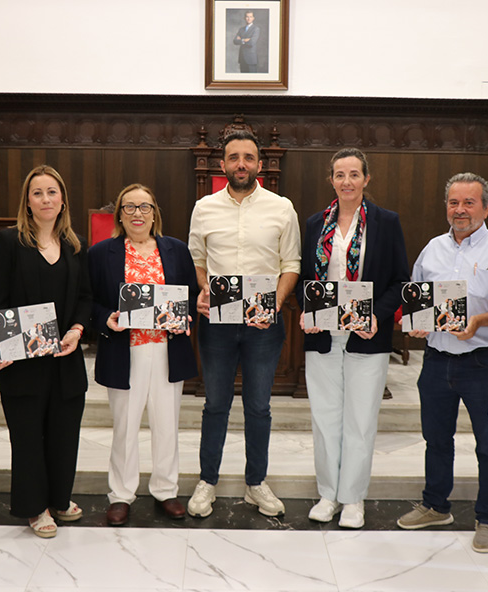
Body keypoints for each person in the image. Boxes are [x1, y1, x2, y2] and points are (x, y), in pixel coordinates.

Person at [187, 130, 301, 518]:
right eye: (234, 157)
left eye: (248, 158)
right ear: (223, 164)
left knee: (258, 407)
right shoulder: (204, 208)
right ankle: (207, 482)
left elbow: (291, 264)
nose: (241, 164)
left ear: (259, 164)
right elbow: (197, 260)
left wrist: (276, 303)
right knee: (215, 405)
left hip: (263, 325)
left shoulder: (281, 207)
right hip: (217, 323)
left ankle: (256, 483)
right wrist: (204, 290)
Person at [396, 173, 488, 554]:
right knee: (436, 440)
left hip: (484, 362)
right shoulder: (432, 249)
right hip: (437, 360)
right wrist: (415, 325)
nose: (460, 210)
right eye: (453, 203)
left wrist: (478, 322)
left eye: (469, 202)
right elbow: (416, 298)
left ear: (486, 206)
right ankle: (435, 505)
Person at [297, 148, 409, 528]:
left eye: (354, 174)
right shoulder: (315, 223)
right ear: (331, 179)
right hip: (323, 336)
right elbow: (303, 280)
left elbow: (398, 281)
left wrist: (377, 316)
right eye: (340, 175)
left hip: (367, 335)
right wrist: (308, 312)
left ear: (366, 179)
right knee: (325, 418)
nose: (347, 181)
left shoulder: (385, 222)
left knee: (360, 420)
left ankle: (353, 498)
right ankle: (329, 494)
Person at [0, 165, 91, 538]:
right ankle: (36, 508)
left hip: (65, 360)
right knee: (29, 438)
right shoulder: (11, 241)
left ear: (62, 199)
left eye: (52, 192)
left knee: (64, 435)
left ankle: (60, 500)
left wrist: (77, 330)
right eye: (37, 193)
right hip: (23, 363)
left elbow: (85, 299)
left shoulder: (76, 244)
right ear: (27, 202)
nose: (45, 199)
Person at [88, 183, 198, 526]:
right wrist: (105, 317)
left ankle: (166, 489)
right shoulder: (100, 253)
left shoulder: (177, 250)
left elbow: (191, 294)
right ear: (119, 214)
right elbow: (88, 300)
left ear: (155, 213)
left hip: (167, 349)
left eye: (145, 207)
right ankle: (121, 494)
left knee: (167, 424)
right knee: (125, 427)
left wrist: (187, 315)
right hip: (125, 350)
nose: (138, 214)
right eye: (130, 207)